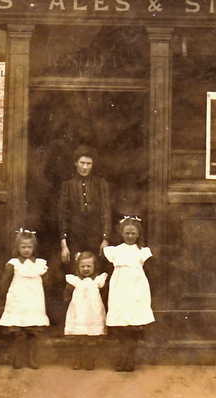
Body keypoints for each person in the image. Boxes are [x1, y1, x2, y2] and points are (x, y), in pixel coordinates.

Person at [104, 216, 154, 371]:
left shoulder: (142, 251)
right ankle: (122, 359)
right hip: (120, 289)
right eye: (127, 233)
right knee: (121, 326)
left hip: (136, 290)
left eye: (133, 233)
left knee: (133, 325)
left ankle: (130, 359)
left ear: (138, 234)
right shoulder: (115, 251)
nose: (130, 236)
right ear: (121, 233)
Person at [0, 229, 49, 369]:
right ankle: (18, 358)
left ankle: (32, 359)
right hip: (18, 300)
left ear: (34, 247)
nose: (26, 250)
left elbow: (47, 282)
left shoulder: (39, 264)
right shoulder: (14, 264)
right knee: (18, 332)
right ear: (17, 248)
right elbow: (5, 282)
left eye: (29, 247)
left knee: (33, 331)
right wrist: (4, 294)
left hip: (34, 301)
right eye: (23, 247)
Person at [58, 145, 111, 267]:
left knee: (96, 268)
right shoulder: (68, 185)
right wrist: (64, 243)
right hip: (74, 236)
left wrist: (105, 238)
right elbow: (63, 214)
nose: (85, 167)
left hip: (96, 235)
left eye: (89, 163)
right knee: (76, 268)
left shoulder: (100, 184)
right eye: (82, 163)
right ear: (76, 163)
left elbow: (106, 211)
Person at [64, 251, 108, 370]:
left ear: (94, 266)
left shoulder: (98, 280)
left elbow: (104, 295)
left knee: (91, 340)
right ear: (78, 267)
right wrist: (68, 299)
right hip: (79, 312)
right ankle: (78, 360)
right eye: (83, 266)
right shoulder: (74, 280)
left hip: (93, 313)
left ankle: (90, 360)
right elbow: (67, 295)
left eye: (89, 266)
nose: (86, 269)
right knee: (79, 339)